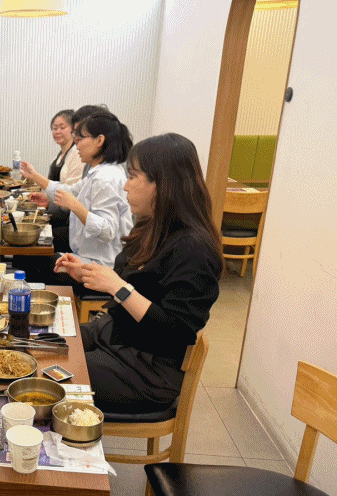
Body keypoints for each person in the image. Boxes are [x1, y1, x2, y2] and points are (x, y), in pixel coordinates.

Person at [56, 133, 223, 411]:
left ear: (163, 183)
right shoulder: (152, 226)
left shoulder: (195, 248)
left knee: (50, 373)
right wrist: (88, 273)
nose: (125, 185)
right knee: (45, 344)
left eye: (133, 176)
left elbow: (175, 332)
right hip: (118, 334)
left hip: (147, 367)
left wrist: (117, 287)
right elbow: (134, 281)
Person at [20, 110, 134, 283]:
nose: (77, 145)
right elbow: (69, 191)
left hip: (102, 267)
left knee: (30, 259)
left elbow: (108, 230)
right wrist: (34, 176)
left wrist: (74, 205)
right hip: (87, 256)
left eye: (81, 139)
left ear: (99, 141)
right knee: (29, 255)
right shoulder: (99, 172)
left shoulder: (107, 178)